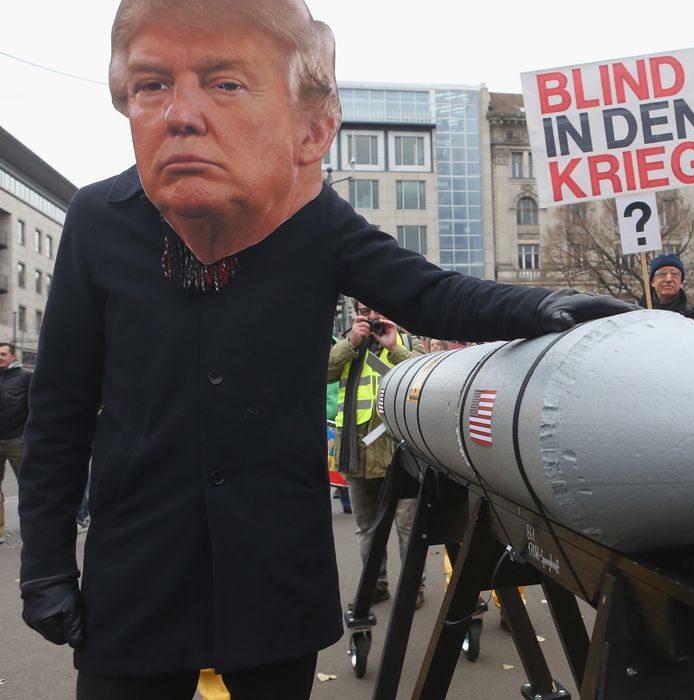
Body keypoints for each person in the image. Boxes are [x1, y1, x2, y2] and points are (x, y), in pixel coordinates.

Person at [16, 2, 633, 697]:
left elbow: (427, 294)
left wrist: (546, 306)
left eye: (225, 84)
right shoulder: (100, 220)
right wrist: (44, 564)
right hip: (139, 569)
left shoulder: (310, 215)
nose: (183, 112)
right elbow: (61, 410)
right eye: (153, 84)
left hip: (271, 567)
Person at [328, 301, 422, 606]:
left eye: (378, 310)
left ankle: (413, 589)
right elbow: (321, 372)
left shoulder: (408, 342)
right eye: (366, 311)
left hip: (402, 452)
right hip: (357, 452)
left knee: (409, 527)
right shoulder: (348, 343)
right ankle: (375, 585)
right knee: (367, 528)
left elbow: (425, 378)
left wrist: (394, 347)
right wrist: (350, 343)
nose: (373, 318)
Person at [0, 342, 32, 543]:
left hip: (17, 438)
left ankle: (33, 529)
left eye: (3, 354)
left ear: (13, 356)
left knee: (28, 484)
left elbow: (35, 405)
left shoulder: (26, 377)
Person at [645, 253, 694, 325]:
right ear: (652, 282)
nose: (668, 279)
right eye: (663, 274)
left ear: (681, 282)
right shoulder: (637, 317)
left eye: (674, 274)